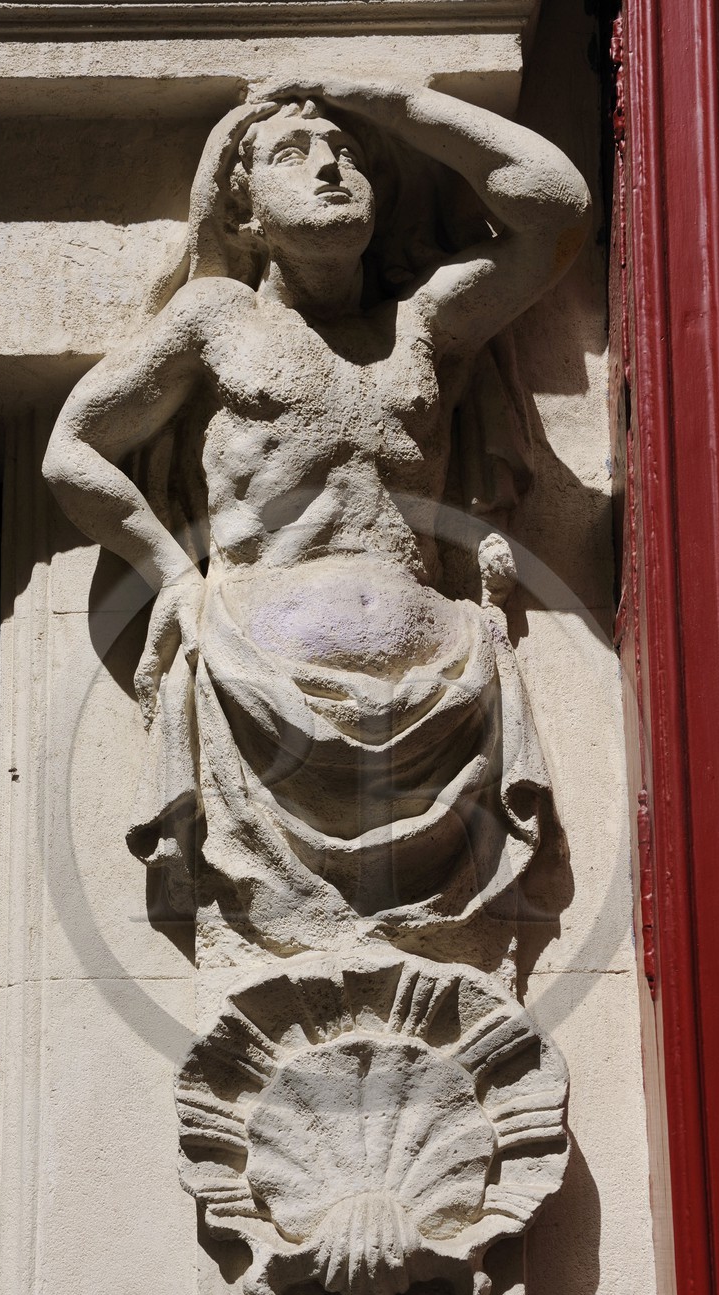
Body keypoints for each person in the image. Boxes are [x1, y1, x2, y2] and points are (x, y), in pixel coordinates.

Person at [43, 79, 591, 951]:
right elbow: (73, 449)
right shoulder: (217, 319)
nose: (330, 168)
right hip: (259, 691)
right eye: (290, 156)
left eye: (349, 155)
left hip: (443, 697)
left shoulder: (427, 324)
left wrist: (387, 101)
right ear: (243, 211)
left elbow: (557, 207)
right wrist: (174, 575)